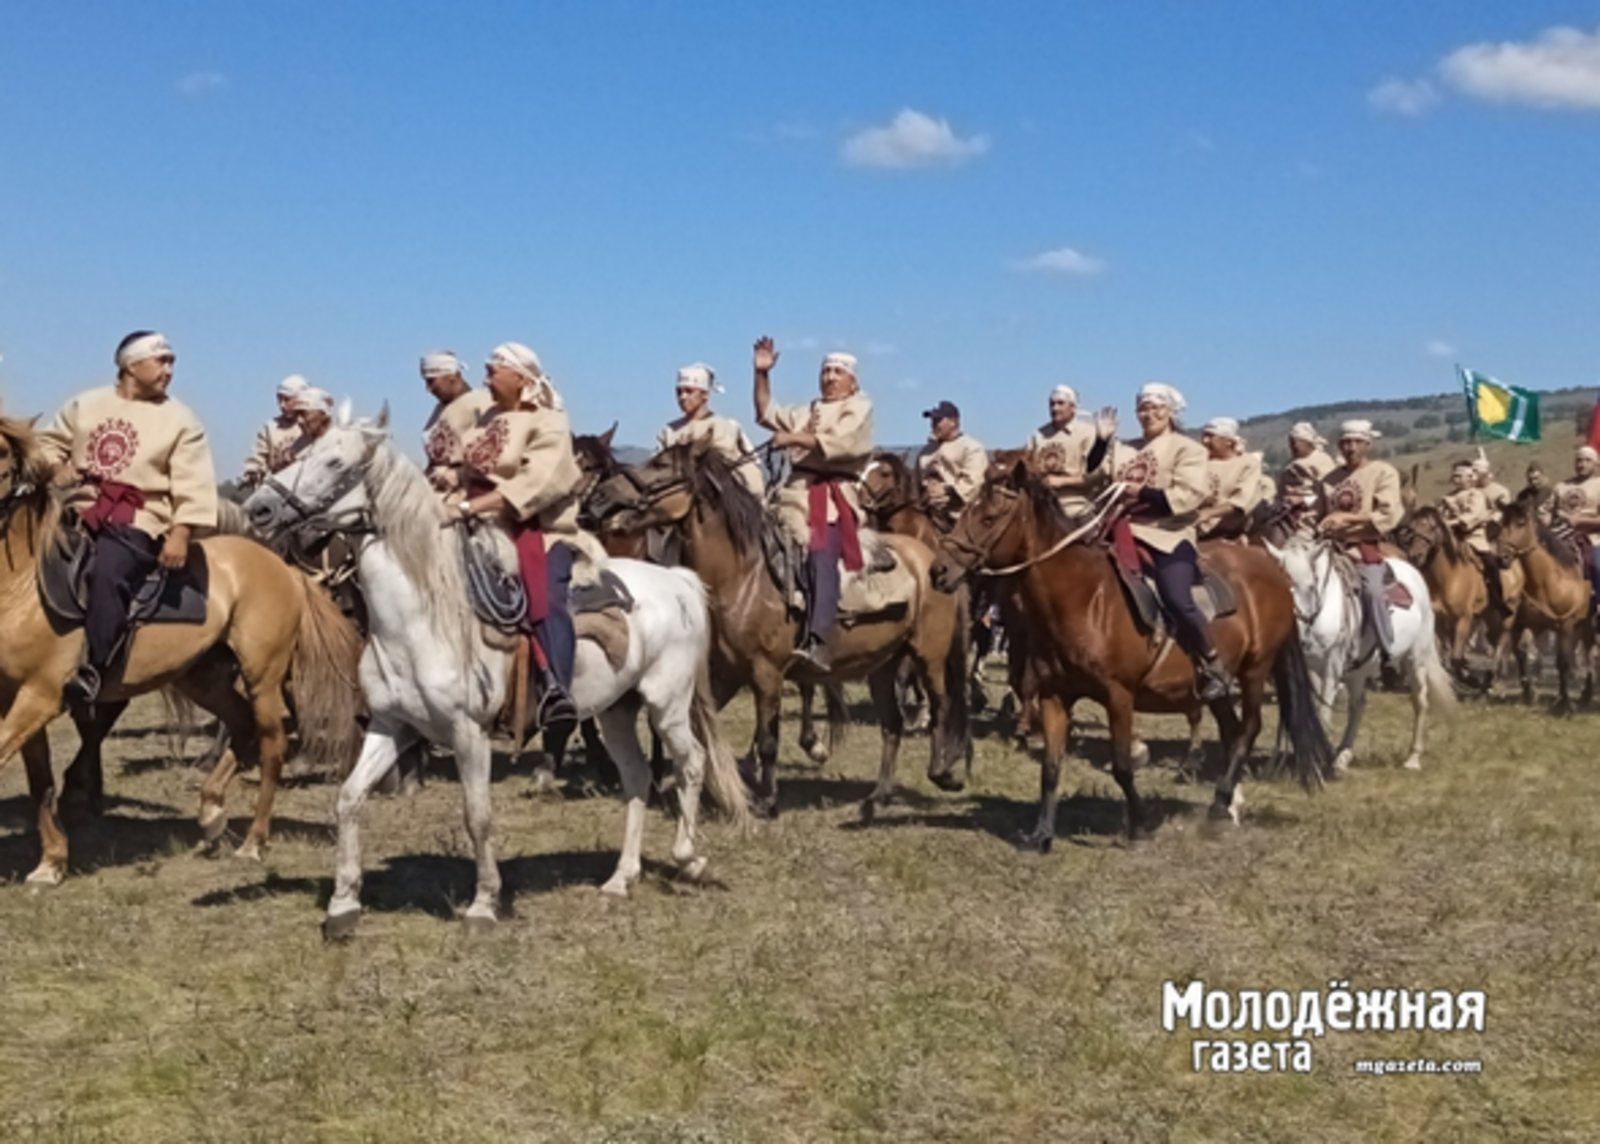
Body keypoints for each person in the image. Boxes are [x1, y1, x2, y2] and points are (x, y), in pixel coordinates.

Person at [38, 331, 219, 704]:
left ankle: (94, 670)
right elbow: (47, 444)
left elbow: (193, 482)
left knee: (108, 571)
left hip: (139, 517)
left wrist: (181, 533)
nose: (169, 369)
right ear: (130, 366)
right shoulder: (85, 405)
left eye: (172, 362)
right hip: (76, 507)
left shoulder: (180, 420)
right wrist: (57, 468)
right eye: (161, 360)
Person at [455, 342, 585, 730]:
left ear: (521, 378)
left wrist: (468, 508)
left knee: (545, 595)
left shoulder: (549, 422)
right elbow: (471, 467)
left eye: (493, 370)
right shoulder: (486, 418)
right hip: (478, 524)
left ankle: (555, 689)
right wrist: (451, 481)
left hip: (537, 528)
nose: (486, 378)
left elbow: (538, 482)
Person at [1091, 383, 1235, 702]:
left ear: (1170, 412)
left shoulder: (1188, 449)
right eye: (1143, 408)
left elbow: (1187, 496)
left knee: (1176, 595)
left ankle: (1214, 663)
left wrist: (1138, 492)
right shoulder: (1124, 448)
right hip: (1119, 530)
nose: (1148, 414)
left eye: (1156, 407)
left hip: (1168, 534)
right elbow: (1093, 474)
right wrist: (1101, 442)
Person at [753, 337, 874, 670]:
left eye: (837, 372)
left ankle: (820, 638)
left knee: (821, 553)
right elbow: (766, 412)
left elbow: (843, 442)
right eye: (826, 370)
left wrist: (792, 438)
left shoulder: (859, 406)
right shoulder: (807, 410)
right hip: (791, 493)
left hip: (832, 496)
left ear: (852, 380)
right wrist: (761, 374)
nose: (830, 377)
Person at [1315, 420, 1406, 656]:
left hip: (1363, 546)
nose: (1351, 447)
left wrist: (1347, 519)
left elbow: (1388, 513)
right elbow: (1316, 513)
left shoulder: (1383, 472)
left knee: (1373, 592)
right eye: (1345, 442)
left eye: (1357, 442)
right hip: (1327, 546)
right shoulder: (1328, 479)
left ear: (1368, 444)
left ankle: (1387, 650)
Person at [654, 362, 764, 495]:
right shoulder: (669, 432)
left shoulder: (726, 427)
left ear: (704, 394)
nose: (682, 397)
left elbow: (749, 465)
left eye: (689, 391)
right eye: (679, 392)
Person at [420, 351, 494, 495]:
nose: (428, 389)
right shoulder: (439, 409)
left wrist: (459, 474)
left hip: (469, 493)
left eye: (431, 381)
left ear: (452, 376)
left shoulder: (482, 403)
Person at [1439, 458, 1503, 613]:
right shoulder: (1447, 497)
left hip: (1474, 538)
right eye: (1454, 476)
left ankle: (1497, 599)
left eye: (1459, 476)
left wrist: (1451, 522)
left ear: (1469, 477)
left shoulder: (1476, 495)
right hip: (1451, 538)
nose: (1456, 479)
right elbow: (1440, 515)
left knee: (1491, 564)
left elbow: (1473, 516)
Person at [1026, 385, 1100, 516]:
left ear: (1073, 407)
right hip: (1039, 504)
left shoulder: (1088, 433)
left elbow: (1096, 476)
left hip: (1075, 505)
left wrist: (1061, 482)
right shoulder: (1038, 435)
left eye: (1060, 403)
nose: (1055, 408)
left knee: (1089, 534)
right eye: (1052, 404)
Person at [914, 400, 987, 527]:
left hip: (960, 517)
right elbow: (916, 482)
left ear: (953, 422)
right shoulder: (925, 452)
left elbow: (973, 483)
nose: (933, 425)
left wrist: (948, 493)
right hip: (926, 513)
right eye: (932, 421)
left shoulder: (971, 448)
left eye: (938, 421)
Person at [1549, 444, 1600, 610]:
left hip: (1593, 539)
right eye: (1579, 460)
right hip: (1559, 539)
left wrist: (1581, 521)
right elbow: (1546, 512)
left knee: (1598, 565)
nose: (1582, 464)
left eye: (1587, 460)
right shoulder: (1561, 486)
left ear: (1596, 464)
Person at [1195, 417, 1263, 540]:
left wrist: (1207, 513)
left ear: (1228, 441)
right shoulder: (1197, 460)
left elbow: (1241, 501)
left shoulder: (1247, 464)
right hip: (1190, 525)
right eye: (1203, 436)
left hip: (1225, 530)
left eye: (1210, 436)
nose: (1205, 441)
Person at [238, 374, 309, 490]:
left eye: (287, 399)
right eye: (279, 399)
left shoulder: (312, 426)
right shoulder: (270, 428)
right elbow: (258, 456)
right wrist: (251, 471)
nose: (282, 405)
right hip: (275, 491)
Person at [1279, 421, 1335, 496]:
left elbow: (1328, 490)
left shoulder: (1323, 461)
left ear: (1308, 442)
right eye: (1291, 443)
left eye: (1296, 442)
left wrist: (1304, 500)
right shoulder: (1289, 464)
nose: (1294, 446)